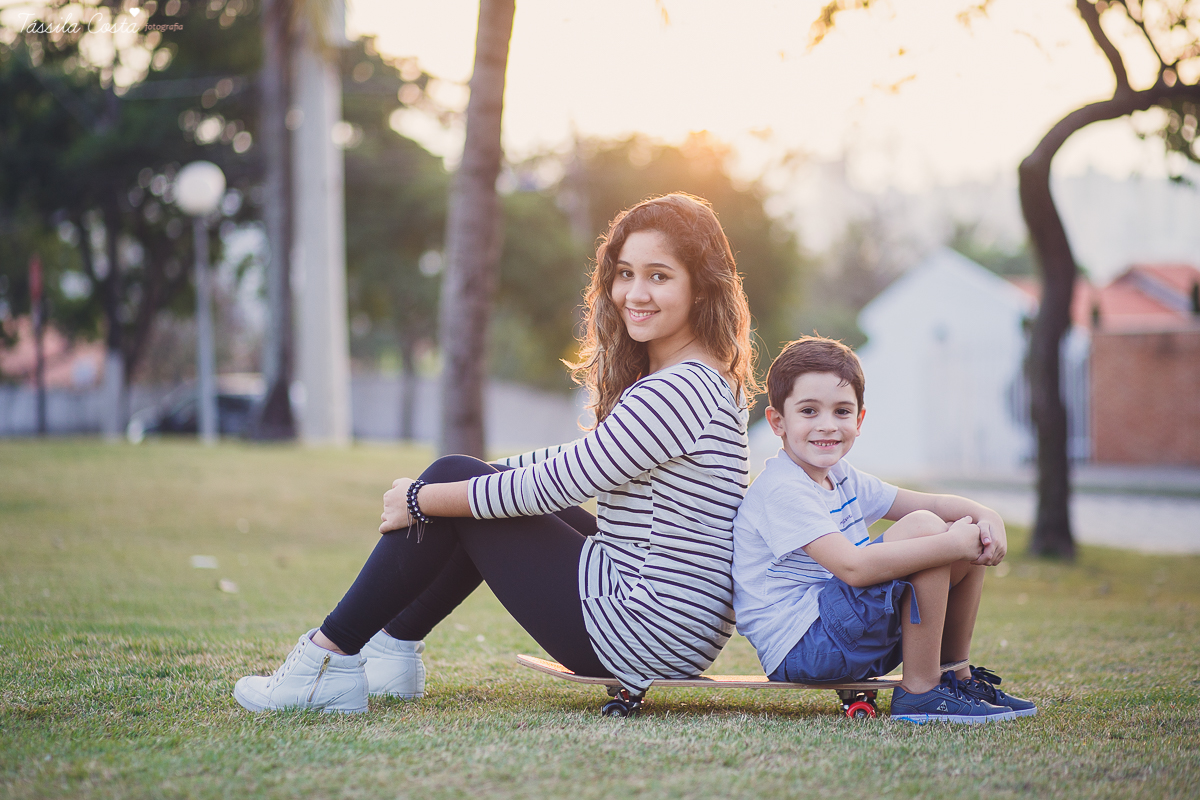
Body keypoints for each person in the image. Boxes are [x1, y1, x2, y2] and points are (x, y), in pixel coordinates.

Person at [235, 193, 756, 713]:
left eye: (659, 276)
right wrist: (456, 487)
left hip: (641, 631)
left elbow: (560, 483)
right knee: (472, 483)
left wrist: (422, 500)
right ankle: (391, 650)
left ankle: (326, 661)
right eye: (624, 273)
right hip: (674, 629)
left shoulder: (676, 390)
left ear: (701, 286)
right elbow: (579, 459)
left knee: (460, 483)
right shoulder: (705, 380)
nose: (634, 293)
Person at [731, 336, 1037, 723]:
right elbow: (853, 568)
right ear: (778, 421)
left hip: (840, 632)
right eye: (809, 411)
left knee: (960, 532)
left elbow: (934, 503)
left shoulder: (840, 477)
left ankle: (954, 677)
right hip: (804, 646)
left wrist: (985, 515)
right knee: (932, 532)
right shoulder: (783, 488)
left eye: (841, 412)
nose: (827, 425)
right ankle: (921, 691)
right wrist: (952, 541)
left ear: (859, 420)